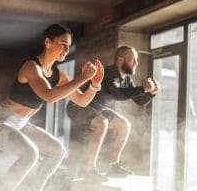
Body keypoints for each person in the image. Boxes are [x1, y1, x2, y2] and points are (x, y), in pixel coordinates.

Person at [0, 24, 104, 191]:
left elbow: (82, 101)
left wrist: (94, 84)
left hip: (22, 123)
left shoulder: (58, 75)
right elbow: (49, 95)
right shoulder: (31, 67)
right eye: (62, 44)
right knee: (30, 154)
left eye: (69, 46)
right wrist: (82, 78)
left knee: (58, 151)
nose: (66, 50)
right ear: (48, 42)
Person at [67, 46, 160, 178]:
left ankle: (113, 166)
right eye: (133, 59)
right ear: (121, 60)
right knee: (102, 123)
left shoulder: (127, 80)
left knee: (124, 124)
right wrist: (143, 88)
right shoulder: (108, 72)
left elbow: (139, 101)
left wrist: (152, 93)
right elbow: (117, 94)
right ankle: (89, 170)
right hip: (78, 107)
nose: (136, 63)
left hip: (97, 109)